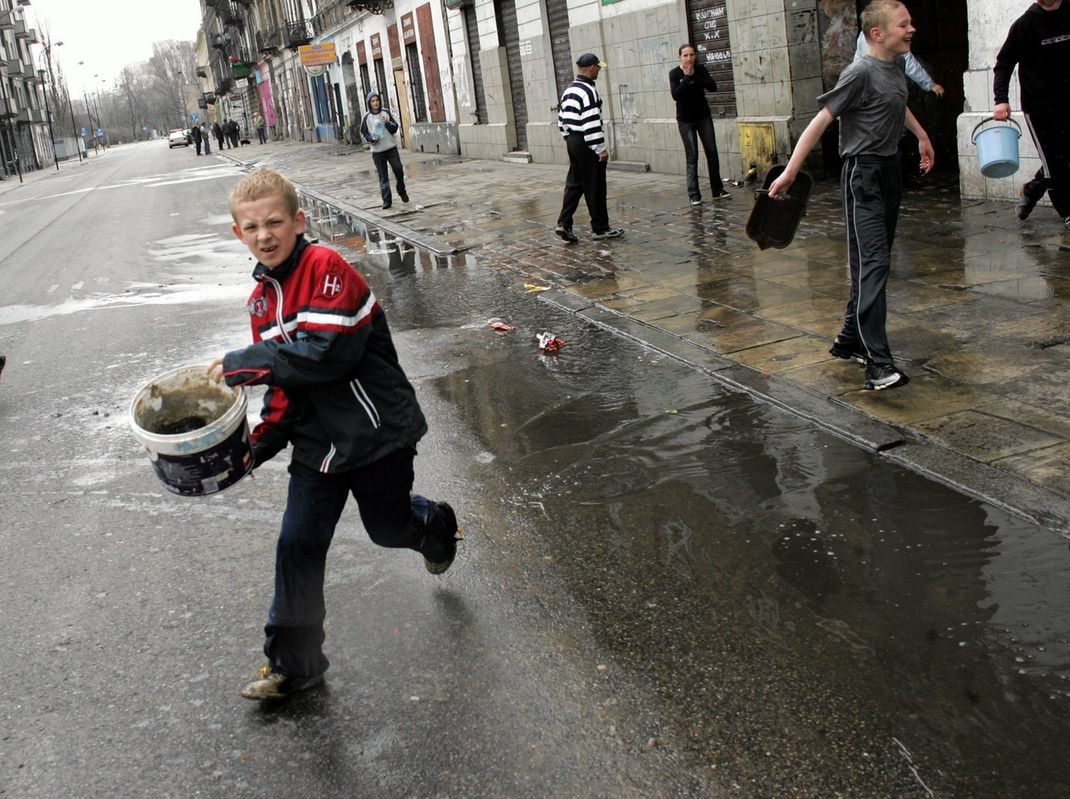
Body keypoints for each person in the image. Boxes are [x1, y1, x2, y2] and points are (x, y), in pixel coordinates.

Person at [208, 169, 460, 701]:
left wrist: (241, 364)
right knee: (298, 543)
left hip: (376, 437)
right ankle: (295, 665)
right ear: (238, 233)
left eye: (275, 221)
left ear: (298, 221)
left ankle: (433, 522)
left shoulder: (326, 267)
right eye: (251, 227)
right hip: (317, 447)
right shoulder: (261, 303)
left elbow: (327, 355)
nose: (264, 235)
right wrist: (256, 444)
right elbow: (286, 386)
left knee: (388, 530)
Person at [768, 0, 934, 392]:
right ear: (878, 34)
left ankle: (848, 339)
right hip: (863, 175)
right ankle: (878, 364)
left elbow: (898, 103)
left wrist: (922, 135)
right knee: (873, 265)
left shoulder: (893, 67)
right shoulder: (859, 72)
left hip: (890, 171)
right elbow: (821, 120)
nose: (911, 29)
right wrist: (792, 172)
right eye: (903, 24)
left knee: (872, 263)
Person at [992, 0, 1070, 228]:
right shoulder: (1025, 24)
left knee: (1063, 158)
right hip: (1039, 108)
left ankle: (1032, 188)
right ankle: (1067, 211)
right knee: (1054, 162)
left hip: (1068, 102)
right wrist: (1001, 100)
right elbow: (1003, 63)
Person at [554, 53, 623, 244]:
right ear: (591, 68)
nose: (599, 71)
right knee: (595, 185)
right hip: (586, 141)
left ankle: (564, 223)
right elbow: (591, 122)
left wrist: (568, 138)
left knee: (575, 184)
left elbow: (561, 119)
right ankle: (600, 228)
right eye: (598, 68)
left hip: (573, 141)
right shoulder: (589, 91)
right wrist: (600, 149)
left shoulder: (569, 90)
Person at [669, 44, 730, 206]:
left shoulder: (701, 69)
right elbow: (676, 95)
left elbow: (712, 87)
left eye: (691, 55)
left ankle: (717, 189)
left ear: (695, 56)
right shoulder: (674, 74)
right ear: (680, 57)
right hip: (685, 121)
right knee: (692, 156)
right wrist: (687, 78)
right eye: (685, 55)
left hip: (703, 117)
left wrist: (695, 76)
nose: (689, 58)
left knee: (712, 152)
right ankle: (694, 194)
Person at [853, 29, 944, 96]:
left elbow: (857, 61)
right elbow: (909, 63)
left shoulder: (865, 34)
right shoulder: (891, 37)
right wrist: (930, 85)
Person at [360, 92, 408, 209]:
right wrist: (371, 139)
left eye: (377, 100)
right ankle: (387, 200)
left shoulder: (385, 113)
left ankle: (401, 190)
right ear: (369, 103)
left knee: (398, 169)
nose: (375, 103)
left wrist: (387, 123)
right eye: (372, 101)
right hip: (377, 151)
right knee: (383, 176)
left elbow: (395, 128)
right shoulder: (366, 117)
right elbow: (364, 133)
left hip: (390, 148)